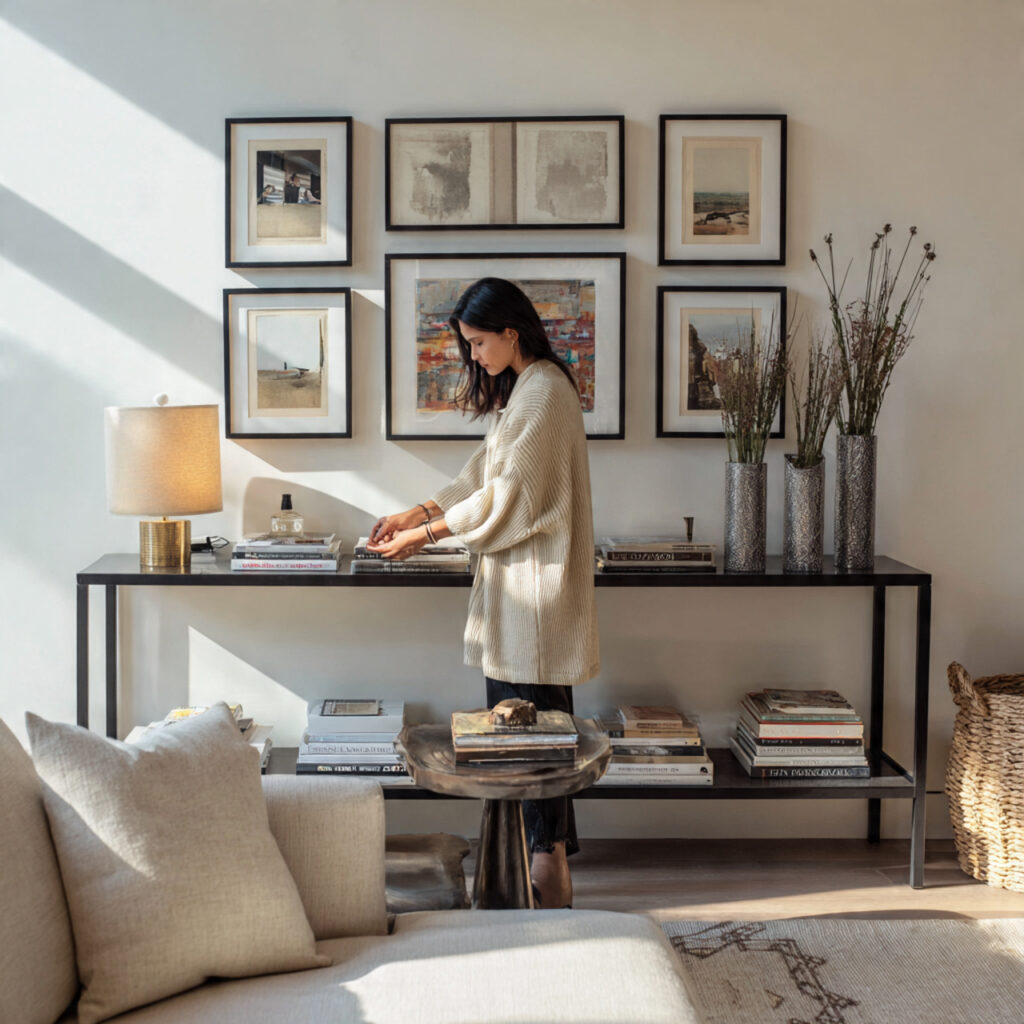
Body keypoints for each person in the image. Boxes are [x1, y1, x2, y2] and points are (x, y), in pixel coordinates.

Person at [368, 277, 599, 910]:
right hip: (516, 592)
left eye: (477, 343)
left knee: (535, 740)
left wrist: (429, 535)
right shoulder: (526, 392)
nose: (474, 356)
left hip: (534, 596)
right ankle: (539, 865)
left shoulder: (546, 394)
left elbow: (509, 497)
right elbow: (481, 472)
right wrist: (416, 513)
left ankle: (547, 870)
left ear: (510, 333)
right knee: (526, 733)